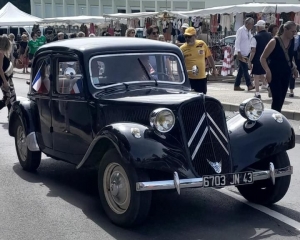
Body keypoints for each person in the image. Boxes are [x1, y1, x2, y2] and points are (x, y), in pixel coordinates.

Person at [260, 21, 298, 112]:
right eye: (292, 31)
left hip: (286, 73)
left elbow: (290, 57)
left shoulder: (292, 41)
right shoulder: (274, 41)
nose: (294, 33)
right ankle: (274, 119)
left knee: (281, 99)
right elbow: (263, 58)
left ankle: (276, 116)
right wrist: (267, 71)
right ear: (285, 29)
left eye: (295, 31)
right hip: (274, 74)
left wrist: (294, 68)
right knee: (277, 98)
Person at [180, 27, 217, 94]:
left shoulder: (202, 44)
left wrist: (214, 68)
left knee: (202, 99)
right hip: (189, 79)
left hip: (201, 78)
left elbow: (209, 56)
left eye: (189, 37)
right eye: (186, 37)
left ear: (195, 36)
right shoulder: (182, 48)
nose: (187, 39)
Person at [248, 20, 272, 98]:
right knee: (262, 74)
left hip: (258, 59)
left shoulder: (256, 37)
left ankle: (257, 93)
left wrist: (249, 60)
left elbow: (253, 50)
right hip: (268, 58)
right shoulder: (270, 35)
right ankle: (268, 85)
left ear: (258, 27)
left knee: (256, 76)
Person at [234, 17, 255, 91]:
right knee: (245, 69)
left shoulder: (249, 31)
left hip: (247, 52)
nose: (252, 26)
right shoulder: (241, 30)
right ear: (247, 24)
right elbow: (237, 41)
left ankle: (236, 85)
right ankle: (249, 84)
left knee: (241, 70)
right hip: (241, 53)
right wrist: (238, 52)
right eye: (251, 24)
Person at [0, 35, 16, 114]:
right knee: (7, 98)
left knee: (12, 96)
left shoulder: (3, 53)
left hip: (8, 77)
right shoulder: (1, 53)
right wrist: (4, 81)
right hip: (4, 78)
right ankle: (11, 114)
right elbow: (0, 68)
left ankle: (11, 114)